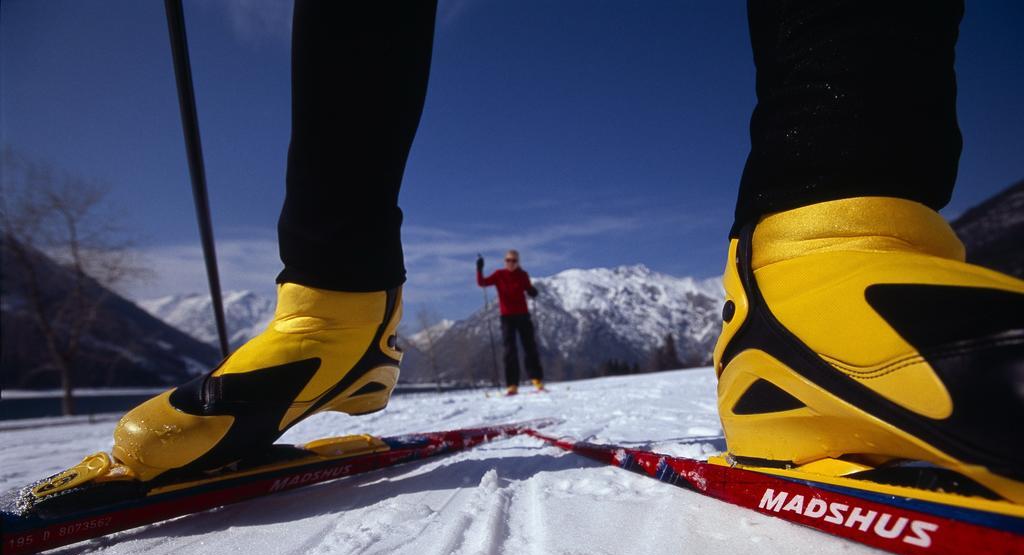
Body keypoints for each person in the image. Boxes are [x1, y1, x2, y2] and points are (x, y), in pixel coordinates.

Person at [112, 0, 1022, 488]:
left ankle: (831, 232)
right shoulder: (498, 274)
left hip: (526, 316)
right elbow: (495, 285)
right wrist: (479, 281)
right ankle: (332, 314)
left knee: (526, 340)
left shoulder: (520, 274)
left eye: (507, 261)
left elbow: (529, 293)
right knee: (511, 341)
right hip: (484, 311)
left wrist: (522, 289)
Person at [476, 250, 545, 395]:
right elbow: (482, 283)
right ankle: (512, 385)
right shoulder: (499, 275)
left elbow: (527, 288)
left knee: (529, 347)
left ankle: (536, 379)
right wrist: (479, 269)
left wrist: (532, 291)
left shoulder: (522, 275)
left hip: (523, 315)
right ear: (504, 261)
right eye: (508, 260)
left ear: (518, 262)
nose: (510, 263)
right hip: (507, 317)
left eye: (513, 261)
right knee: (510, 351)